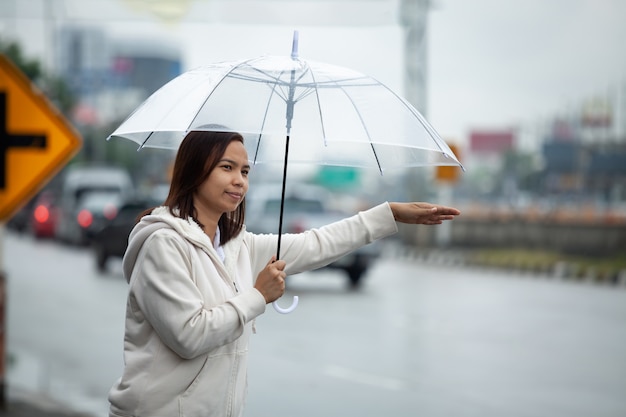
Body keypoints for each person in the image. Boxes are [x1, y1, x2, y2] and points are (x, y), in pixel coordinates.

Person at [108, 129, 461, 417]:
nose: (239, 181)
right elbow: (188, 336)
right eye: (227, 168)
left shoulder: (236, 245)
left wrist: (388, 214)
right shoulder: (163, 245)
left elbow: (316, 243)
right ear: (195, 171)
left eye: (245, 171)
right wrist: (257, 296)